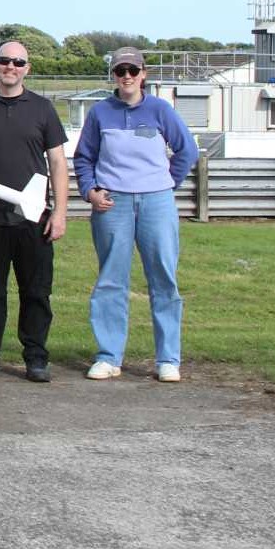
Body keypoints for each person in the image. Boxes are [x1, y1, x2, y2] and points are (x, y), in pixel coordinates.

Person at [74, 46, 199, 383]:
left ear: (144, 74)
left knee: (163, 278)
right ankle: (109, 356)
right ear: (113, 75)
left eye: (132, 70)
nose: (126, 76)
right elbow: (84, 158)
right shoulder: (100, 113)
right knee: (111, 279)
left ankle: (168, 359)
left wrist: (166, 183)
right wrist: (91, 191)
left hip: (156, 202)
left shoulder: (161, 110)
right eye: (120, 71)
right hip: (113, 204)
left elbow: (187, 150)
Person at [0, 41, 71, 382]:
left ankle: (36, 357)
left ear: (27, 68)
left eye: (18, 62)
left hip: (33, 219)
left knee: (36, 291)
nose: (11, 67)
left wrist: (61, 212)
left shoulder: (43, 109)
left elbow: (58, 163)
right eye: (5, 61)